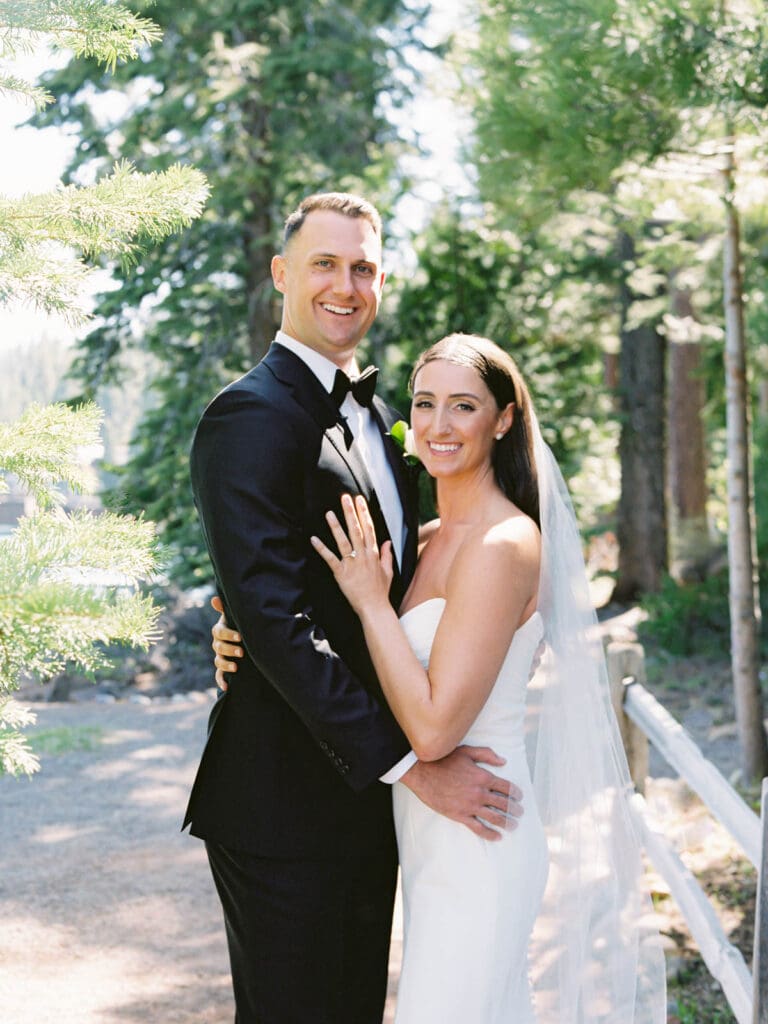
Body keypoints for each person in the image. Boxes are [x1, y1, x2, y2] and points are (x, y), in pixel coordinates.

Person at [213, 333, 667, 1022]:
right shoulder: (425, 541)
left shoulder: (504, 544)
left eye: (463, 406)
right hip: (425, 834)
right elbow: (329, 635)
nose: (437, 425)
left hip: (477, 824)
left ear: (504, 419)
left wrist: (371, 602)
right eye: (424, 404)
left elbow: (430, 728)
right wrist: (236, 634)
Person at [184, 193, 522, 1024]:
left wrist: (247, 626)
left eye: (363, 267)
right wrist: (413, 766)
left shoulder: (377, 416)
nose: (346, 285)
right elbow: (272, 614)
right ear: (281, 276)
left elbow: (387, 593)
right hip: (285, 806)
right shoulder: (249, 415)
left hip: (368, 804)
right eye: (325, 265)